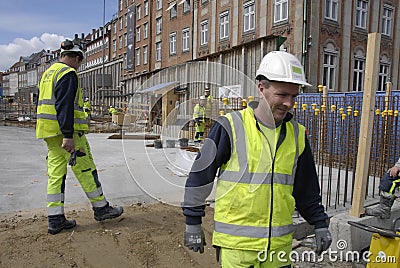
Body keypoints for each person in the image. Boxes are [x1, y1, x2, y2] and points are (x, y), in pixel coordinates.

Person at [182, 51, 332, 267]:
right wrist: (193, 222)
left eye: (294, 96)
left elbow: (306, 188)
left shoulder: (297, 135)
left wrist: (319, 223)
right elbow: (200, 176)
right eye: (282, 95)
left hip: (279, 249)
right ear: (261, 88)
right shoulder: (230, 126)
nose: (289, 103)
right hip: (238, 248)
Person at [36, 40, 124, 235]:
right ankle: (101, 209)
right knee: (86, 169)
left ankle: (55, 219)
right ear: (76, 58)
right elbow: (64, 105)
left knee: (56, 175)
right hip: (68, 134)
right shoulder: (68, 73)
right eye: (79, 62)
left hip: (49, 133)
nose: (78, 66)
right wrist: (68, 135)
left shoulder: (48, 73)